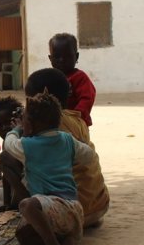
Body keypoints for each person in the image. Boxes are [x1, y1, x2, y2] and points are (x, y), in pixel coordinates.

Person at [4, 93, 93, 245]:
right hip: (75, 209)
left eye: (25, 119)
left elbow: (9, 145)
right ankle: (68, 239)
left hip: (52, 208)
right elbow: (88, 156)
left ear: (32, 124)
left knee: (27, 206)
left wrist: (16, 130)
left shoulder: (28, 145)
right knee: (25, 233)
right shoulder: (67, 139)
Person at [25, 68, 110, 227]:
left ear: (43, 96)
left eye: (29, 99)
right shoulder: (78, 119)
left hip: (74, 212)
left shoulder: (47, 127)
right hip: (99, 205)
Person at [48, 33, 96, 126]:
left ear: (76, 57)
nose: (61, 60)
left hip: (76, 125)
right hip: (54, 125)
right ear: (50, 58)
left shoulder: (80, 78)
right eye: (57, 57)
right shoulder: (49, 78)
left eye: (67, 56)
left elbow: (86, 99)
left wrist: (74, 117)